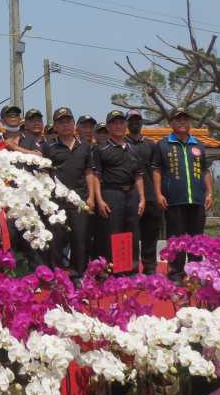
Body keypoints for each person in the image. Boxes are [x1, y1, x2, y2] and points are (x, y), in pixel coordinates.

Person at [152, 107, 213, 280]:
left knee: (196, 239)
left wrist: (209, 193)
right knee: (176, 239)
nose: (182, 122)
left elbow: (205, 171)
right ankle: (176, 273)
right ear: (171, 123)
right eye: (178, 119)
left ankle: (196, 274)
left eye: (185, 119)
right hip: (173, 200)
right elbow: (156, 171)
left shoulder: (198, 145)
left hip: (197, 200)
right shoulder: (163, 145)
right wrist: (158, 194)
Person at [43, 107, 95, 280]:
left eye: (68, 121)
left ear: (74, 124)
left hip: (79, 199)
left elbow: (89, 173)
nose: (65, 125)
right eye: (61, 122)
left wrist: (91, 197)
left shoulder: (85, 147)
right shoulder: (48, 147)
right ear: (55, 126)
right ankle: (57, 275)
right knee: (56, 240)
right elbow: (44, 174)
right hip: (57, 201)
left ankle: (77, 274)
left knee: (80, 239)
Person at [93, 110, 145, 274]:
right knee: (113, 232)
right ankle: (113, 270)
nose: (118, 126)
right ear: (108, 126)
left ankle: (131, 270)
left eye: (121, 122)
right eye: (114, 123)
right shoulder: (101, 149)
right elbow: (96, 176)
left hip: (131, 194)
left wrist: (142, 198)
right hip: (111, 193)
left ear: (126, 125)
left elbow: (139, 176)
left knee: (132, 232)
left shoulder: (134, 149)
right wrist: (99, 199)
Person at [124, 109, 162, 275]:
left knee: (150, 235)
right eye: (132, 120)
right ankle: (129, 270)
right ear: (127, 123)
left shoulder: (151, 145)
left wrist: (158, 193)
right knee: (129, 235)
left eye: (138, 119)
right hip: (129, 196)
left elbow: (157, 171)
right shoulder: (122, 144)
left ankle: (150, 268)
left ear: (142, 122)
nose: (135, 122)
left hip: (151, 196)